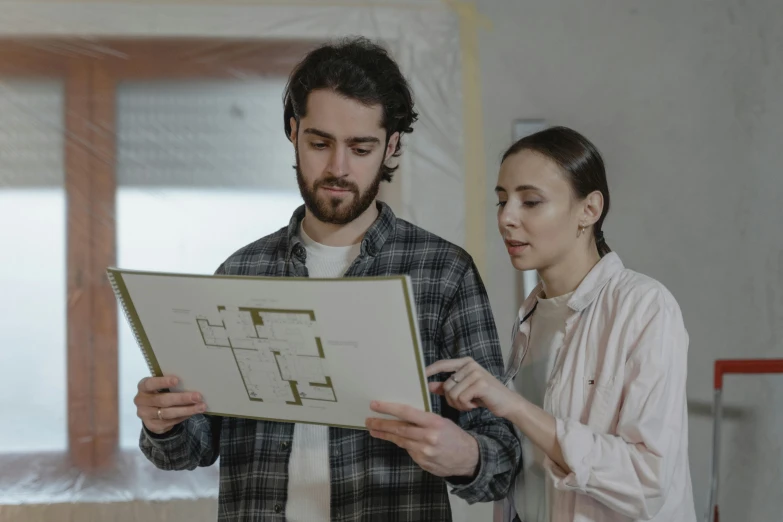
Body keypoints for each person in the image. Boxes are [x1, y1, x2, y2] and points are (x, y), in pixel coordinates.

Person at [133, 36, 520, 521]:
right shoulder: (241, 272)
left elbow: (503, 459)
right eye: (320, 143)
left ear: (392, 145)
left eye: (361, 148)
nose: (338, 168)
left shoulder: (444, 273)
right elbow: (191, 450)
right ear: (293, 132)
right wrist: (163, 423)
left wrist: (464, 454)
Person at [426, 126, 697, 522]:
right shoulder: (532, 314)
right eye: (501, 201)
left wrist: (515, 407)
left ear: (589, 209)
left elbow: (648, 479)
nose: (506, 218)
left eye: (531, 202)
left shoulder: (645, 307)